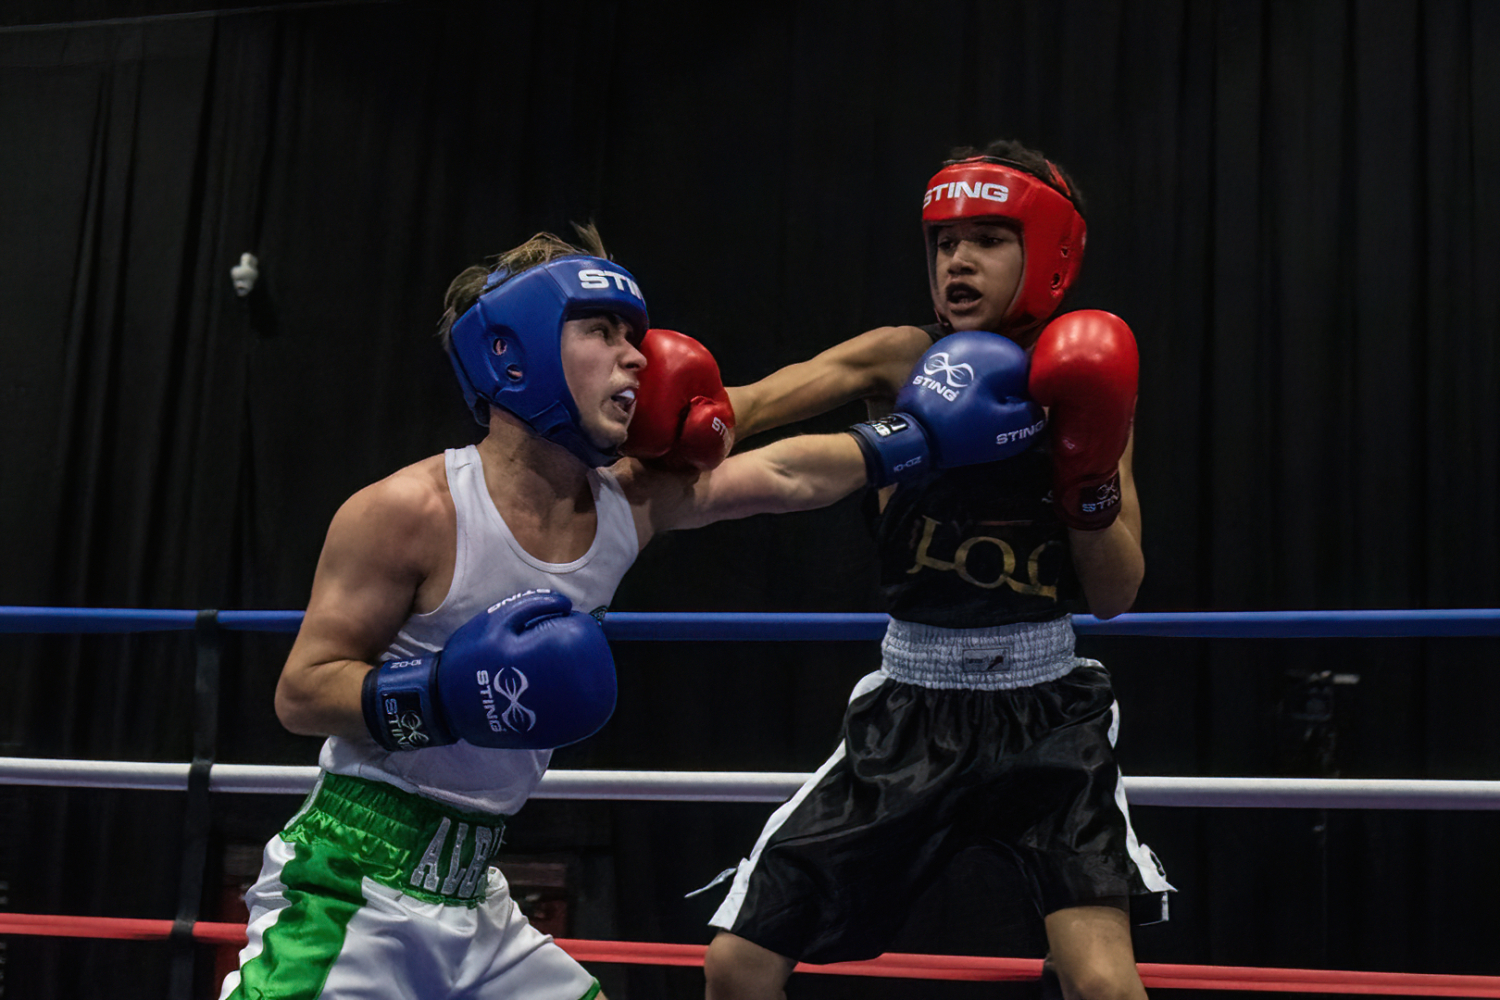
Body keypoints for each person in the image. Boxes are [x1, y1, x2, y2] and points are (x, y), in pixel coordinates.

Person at [217, 224, 1032, 1000]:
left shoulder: (625, 503)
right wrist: (442, 694)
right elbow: (301, 692)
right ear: (515, 349)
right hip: (351, 876)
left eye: (634, 333)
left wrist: (913, 438)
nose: (636, 354)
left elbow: (781, 476)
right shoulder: (410, 510)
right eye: (601, 330)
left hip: (475, 893)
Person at [702, 140, 1174, 1000]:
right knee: (738, 965)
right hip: (913, 707)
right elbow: (750, 404)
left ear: (1049, 251)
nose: (957, 260)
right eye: (943, 241)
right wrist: (644, 419)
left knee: (1104, 984)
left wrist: (1088, 476)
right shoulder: (897, 358)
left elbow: (1114, 594)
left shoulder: (1088, 380)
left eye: (989, 238)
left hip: (1048, 712)